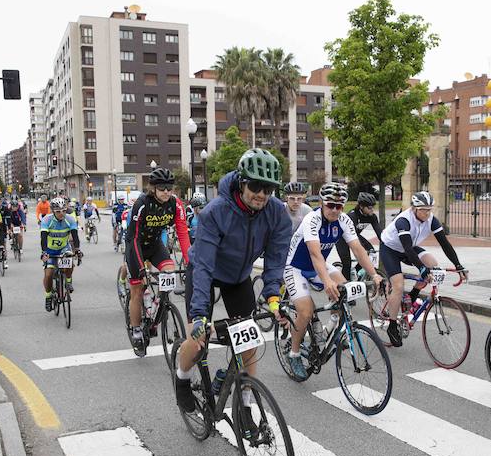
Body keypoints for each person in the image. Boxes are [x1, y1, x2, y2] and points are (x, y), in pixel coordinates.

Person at [174, 148, 291, 440]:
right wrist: (200, 313)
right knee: (197, 337)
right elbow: (202, 265)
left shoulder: (276, 213)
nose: (261, 194)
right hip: (206, 272)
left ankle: (245, 407)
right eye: (255, 186)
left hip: (237, 279)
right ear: (241, 182)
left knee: (248, 339)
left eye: (268, 189)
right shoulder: (216, 212)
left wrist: (273, 297)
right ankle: (182, 378)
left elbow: (276, 259)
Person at [283, 182, 382, 378]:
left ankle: (330, 330)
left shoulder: (343, 220)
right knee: (305, 311)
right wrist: (327, 281)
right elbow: (315, 253)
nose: (335, 210)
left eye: (339, 206)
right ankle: (294, 353)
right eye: (330, 205)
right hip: (296, 268)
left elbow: (358, 249)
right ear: (321, 203)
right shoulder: (312, 219)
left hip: (318, 265)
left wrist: (375, 274)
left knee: (344, 290)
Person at [379, 191, 467, 347]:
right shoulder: (403, 221)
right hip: (391, 249)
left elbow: (444, 244)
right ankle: (392, 326)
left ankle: (412, 296)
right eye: (423, 210)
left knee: (433, 264)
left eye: (429, 209)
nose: (427, 213)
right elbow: (407, 248)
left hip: (409, 248)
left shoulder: (431, 220)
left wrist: (458, 265)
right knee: (398, 285)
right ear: (414, 208)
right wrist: (421, 269)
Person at [119, 168, 191, 354]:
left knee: (169, 272)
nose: (166, 191)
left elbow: (183, 233)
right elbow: (132, 237)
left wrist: (191, 261)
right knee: (137, 289)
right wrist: (141, 269)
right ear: (153, 188)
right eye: (161, 188)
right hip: (136, 246)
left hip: (155, 245)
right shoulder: (142, 204)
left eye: (169, 187)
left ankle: (158, 305)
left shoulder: (176, 205)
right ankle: (136, 329)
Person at [40, 197, 83, 311]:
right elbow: (43, 238)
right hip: (50, 250)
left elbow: (75, 236)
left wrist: (77, 249)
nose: (61, 213)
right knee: (48, 274)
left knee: (69, 262)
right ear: (53, 211)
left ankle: (68, 282)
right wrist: (44, 252)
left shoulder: (70, 219)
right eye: (58, 211)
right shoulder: (47, 220)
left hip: (64, 248)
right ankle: (48, 296)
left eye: (64, 210)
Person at [336, 191, 382, 281]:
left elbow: (379, 233)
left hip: (355, 236)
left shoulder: (372, 216)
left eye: (373, 207)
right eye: (369, 207)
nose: (372, 209)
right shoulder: (352, 215)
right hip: (341, 238)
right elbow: (353, 235)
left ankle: (356, 272)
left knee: (370, 253)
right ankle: (345, 286)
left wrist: (386, 243)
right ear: (361, 206)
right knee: (347, 263)